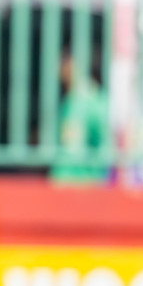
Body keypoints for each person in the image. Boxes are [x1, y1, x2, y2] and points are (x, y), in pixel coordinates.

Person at [51, 49, 109, 185]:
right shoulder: (69, 100)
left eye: (65, 62)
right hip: (64, 181)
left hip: (83, 183)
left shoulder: (94, 100)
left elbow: (104, 144)